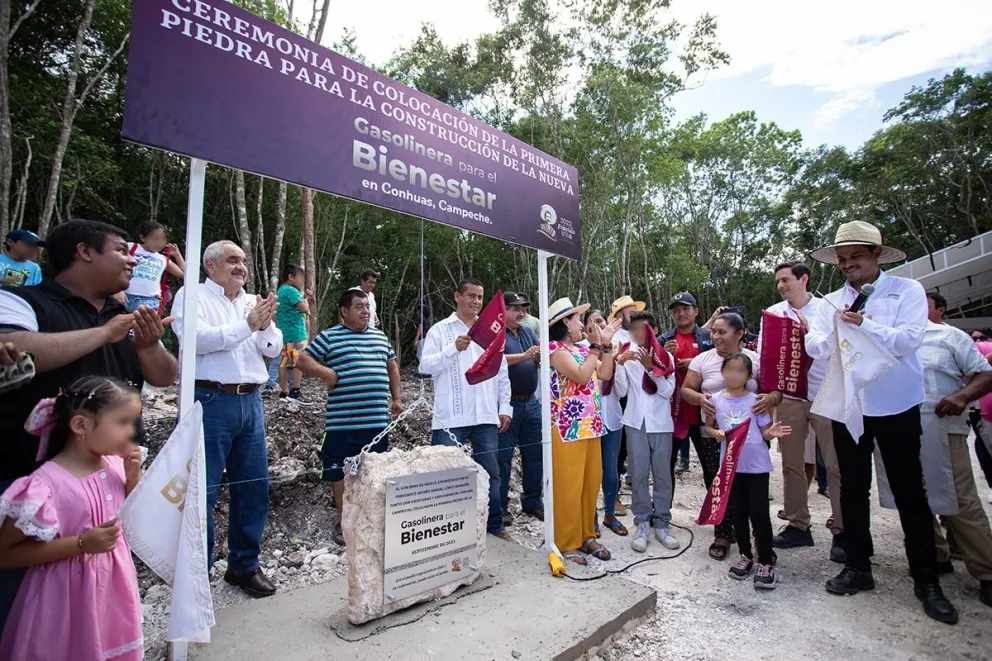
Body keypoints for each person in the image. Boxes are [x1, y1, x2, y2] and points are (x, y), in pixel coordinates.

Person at [0, 219, 176, 627]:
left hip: (108, 483)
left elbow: (165, 376)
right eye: (120, 249)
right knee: (24, 607)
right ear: (84, 252)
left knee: (91, 602)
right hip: (34, 482)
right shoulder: (24, 301)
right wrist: (103, 334)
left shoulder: (124, 313)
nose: (132, 261)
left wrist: (148, 346)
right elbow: (14, 348)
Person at [804, 220, 958, 624]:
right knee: (852, 487)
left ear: (876, 255)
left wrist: (865, 325)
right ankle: (858, 565)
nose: (848, 264)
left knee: (910, 490)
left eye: (856, 256)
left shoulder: (905, 291)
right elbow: (814, 345)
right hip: (850, 404)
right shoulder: (830, 301)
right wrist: (834, 331)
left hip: (896, 403)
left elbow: (909, 340)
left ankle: (926, 579)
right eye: (842, 259)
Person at [0, 376, 143, 660]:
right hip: (63, 604)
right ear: (80, 425)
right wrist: (80, 543)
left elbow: (132, 518)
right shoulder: (44, 487)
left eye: (133, 423)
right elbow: (5, 554)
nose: (131, 433)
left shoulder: (116, 465)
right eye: (122, 423)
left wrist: (132, 480)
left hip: (112, 597)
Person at [172, 240, 281, 599]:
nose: (241, 267)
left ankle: (244, 566)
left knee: (252, 487)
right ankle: (195, 577)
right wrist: (247, 326)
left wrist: (265, 325)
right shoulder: (192, 296)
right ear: (210, 265)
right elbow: (196, 340)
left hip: (251, 401)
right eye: (233, 260)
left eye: (244, 261)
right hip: (210, 399)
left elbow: (273, 349)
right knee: (202, 490)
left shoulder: (251, 301)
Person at [297, 289, 403, 546]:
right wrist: (328, 375)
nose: (366, 311)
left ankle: (373, 520)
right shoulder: (330, 336)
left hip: (376, 422)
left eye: (367, 306)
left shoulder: (380, 337)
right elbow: (301, 359)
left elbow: (392, 366)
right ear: (344, 311)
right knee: (338, 472)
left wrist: (397, 398)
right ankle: (344, 520)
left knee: (374, 471)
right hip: (342, 423)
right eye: (359, 306)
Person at [756, 261, 843, 558]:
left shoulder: (826, 309)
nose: (781, 286)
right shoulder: (774, 313)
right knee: (792, 462)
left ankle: (843, 530)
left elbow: (838, 349)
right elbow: (765, 355)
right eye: (778, 281)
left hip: (826, 393)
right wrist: (771, 390)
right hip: (790, 396)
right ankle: (797, 524)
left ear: (803, 279)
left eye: (785, 280)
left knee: (834, 464)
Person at [419, 278, 515, 541]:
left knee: (490, 472)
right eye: (471, 296)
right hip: (450, 416)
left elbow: (501, 370)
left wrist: (505, 406)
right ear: (457, 297)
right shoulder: (440, 330)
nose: (476, 301)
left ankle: (494, 525)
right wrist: (453, 349)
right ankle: (443, 530)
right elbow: (425, 367)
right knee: (444, 474)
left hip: (485, 414)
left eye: (480, 297)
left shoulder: (490, 330)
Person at [681, 312, 780, 560]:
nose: (715, 336)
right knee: (718, 482)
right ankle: (723, 533)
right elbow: (686, 390)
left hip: (752, 437)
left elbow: (773, 391)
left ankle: (758, 537)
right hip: (717, 436)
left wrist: (771, 399)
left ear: (739, 333)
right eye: (713, 331)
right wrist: (702, 399)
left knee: (752, 489)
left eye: (721, 332)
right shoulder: (703, 360)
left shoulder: (755, 360)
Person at [920, 292, 992, 608]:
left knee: (960, 497)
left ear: (940, 309)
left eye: (922, 302)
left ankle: (986, 570)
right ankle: (936, 555)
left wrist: (962, 397)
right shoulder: (897, 336)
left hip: (944, 427)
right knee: (916, 496)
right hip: (906, 430)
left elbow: (985, 373)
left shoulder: (951, 336)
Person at [704, 354, 791, 590]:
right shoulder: (715, 400)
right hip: (732, 466)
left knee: (760, 512)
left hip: (756, 465)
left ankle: (765, 561)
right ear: (722, 372)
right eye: (730, 369)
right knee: (739, 512)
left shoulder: (756, 401)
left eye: (740, 371)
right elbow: (708, 427)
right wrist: (716, 434)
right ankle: (745, 555)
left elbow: (763, 431)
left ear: (749, 376)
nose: (734, 374)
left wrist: (771, 432)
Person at [547, 297, 618, 564]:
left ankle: (587, 535)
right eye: (577, 319)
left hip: (590, 425)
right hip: (566, 427)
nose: (582, 324)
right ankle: (566, 542)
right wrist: (596, 347)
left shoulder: (582, 349)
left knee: (590, 482)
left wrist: (607, 346)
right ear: (565, 322)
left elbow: (606, 373)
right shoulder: (555, 349)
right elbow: (580, 375)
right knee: (569, 485)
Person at [613, 311, 678, 552]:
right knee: (638, 473)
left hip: (660, 423)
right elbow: (620, 391)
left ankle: (661, 523)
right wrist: (619, 364)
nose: (636, 334)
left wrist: (651, 369)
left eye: (641, 329)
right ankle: (641, 522)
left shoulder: (666, 357)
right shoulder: (628, 356)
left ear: (652, 330)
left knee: (662, 474)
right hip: (635, 421)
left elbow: (668, 392)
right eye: (633, 329)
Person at [497, 292, 544, 524]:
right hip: (508, 404)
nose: (521, 313)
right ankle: (500, 507)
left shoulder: (527, 331)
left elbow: (538, 355)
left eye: (523, 308)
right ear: (503, 310)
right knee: (502, 458)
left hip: (532, 402)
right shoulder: (496, 333)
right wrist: (525, 356)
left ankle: (533, 501)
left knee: (535, 453)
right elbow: (494, 360)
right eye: (515, 308)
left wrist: (540, 357)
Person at [659, 292, 714, 478]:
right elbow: (652, 373)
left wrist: (697, 363)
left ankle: (716, 508)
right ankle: (663, 507)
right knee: (666, 467)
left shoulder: (710, 338)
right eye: (675, 310)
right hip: (672, 414)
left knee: (711, 467)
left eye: (685, 309)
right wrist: (664, 356)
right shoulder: (663, 339)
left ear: (696, 311)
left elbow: (724, 364)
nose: (680, 313)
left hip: (704, 412)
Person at [583, 310, 627, 532]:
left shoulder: (615, 349)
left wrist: (615, 362)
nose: (597, 325)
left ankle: (609, 513)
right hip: (588, 421)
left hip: (612, 418)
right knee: (590, 471)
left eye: (600, 320)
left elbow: (622, 390)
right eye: (591, 322)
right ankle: (590, 518)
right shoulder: (581, 350)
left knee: (610, 470)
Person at [607, 295, 645, 488]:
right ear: (620, 316)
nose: (635, 315)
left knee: (634, 443)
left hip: (638, 394)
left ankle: (631, 478)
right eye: (631, 312)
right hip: (620, 394)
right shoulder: (614, 338)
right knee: (620, 445)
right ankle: (616, 489)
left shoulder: (638, 335)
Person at [123, 221, 185, 313]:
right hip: (125, 297)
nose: (159, 243)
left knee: (147, 327)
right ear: (143, 238)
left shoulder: (163, 259)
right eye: (155, 239)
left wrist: (177, 255)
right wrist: (117, 291)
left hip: (151, 301)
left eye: (162, 239)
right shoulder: (131, 247)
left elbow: (185, 274)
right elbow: (113, 266)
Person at [275, 264, 311, 404]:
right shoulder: (292, 290)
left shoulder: (281, 290)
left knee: (285, 362)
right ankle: (295, 391)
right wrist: (306, 301)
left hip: (285, 332)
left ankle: (284, 392)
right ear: (291, 277)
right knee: (298, 363)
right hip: (296, 332)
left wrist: (304, 298)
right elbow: (304, 308)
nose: (302, 282)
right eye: (301, 278)